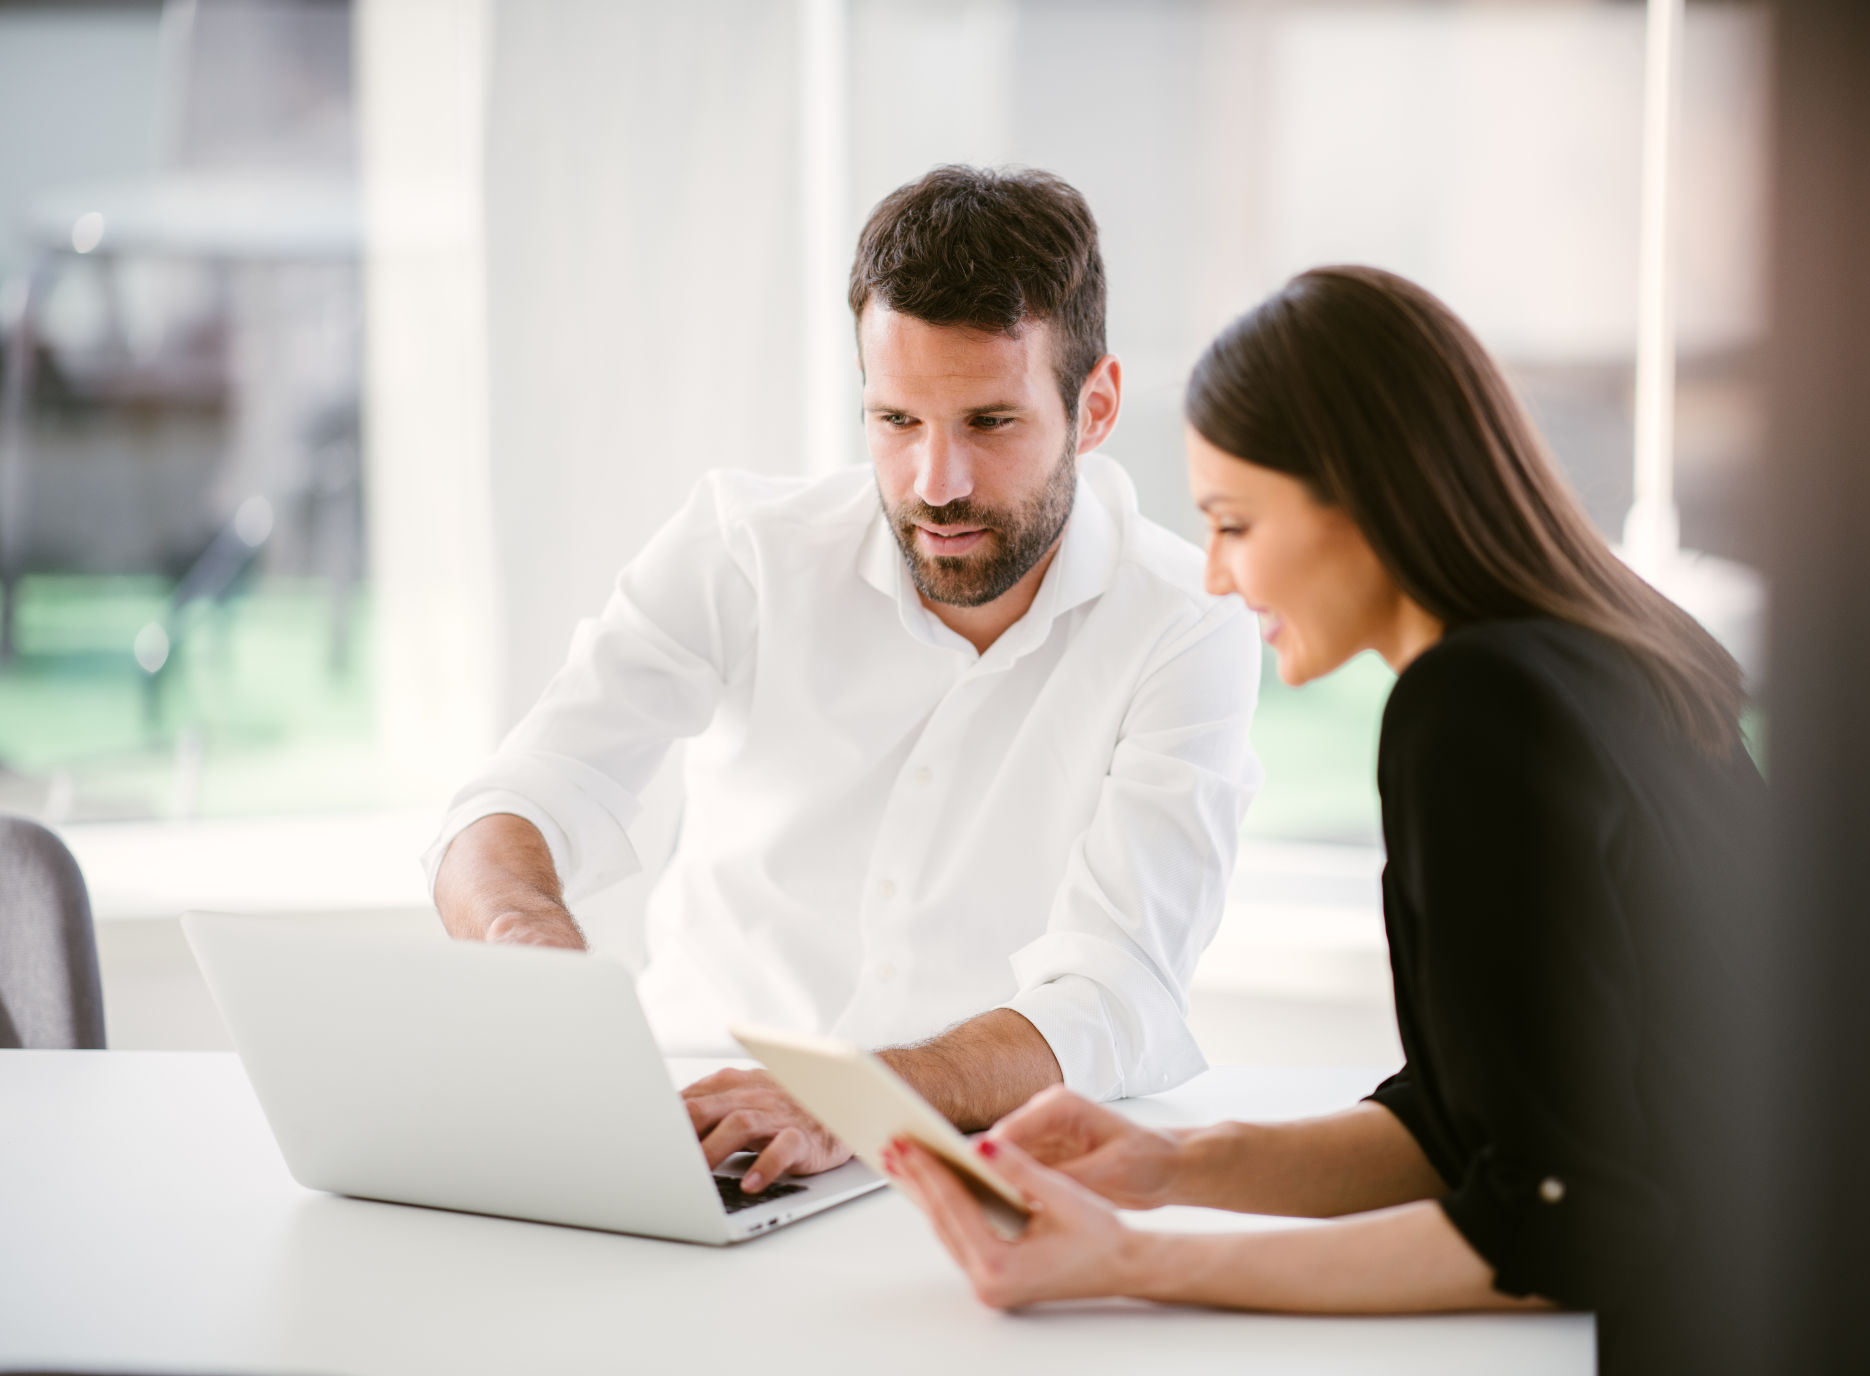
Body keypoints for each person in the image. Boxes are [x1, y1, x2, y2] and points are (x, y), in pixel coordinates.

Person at [883, 264, 1768, 1371]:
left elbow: (1556, 1215)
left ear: (1364, 495)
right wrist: (1175, 1167)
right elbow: (1471, 1130)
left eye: (1234, 522)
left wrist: (1133, 1263)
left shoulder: (1476, 706)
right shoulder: (1605, 657)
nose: (1213, 575)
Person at [425, 167, 1261, 1193]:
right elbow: (524, 793)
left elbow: (1116, 986)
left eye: (990, 424)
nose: (935, 484)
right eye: (896, 421)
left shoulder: (1186, 622)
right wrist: (524, 941)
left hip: (978, 1162)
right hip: (686, 1140)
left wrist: (857, 1096)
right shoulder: (743, 550)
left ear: (1096, 407)